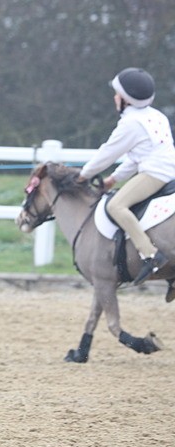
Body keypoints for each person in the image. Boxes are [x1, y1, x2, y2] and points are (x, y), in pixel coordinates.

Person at [78, 68, 175, 285]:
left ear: (126, 99)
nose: (115, 97)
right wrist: (114, 178)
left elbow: (107, 153)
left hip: (155, 174)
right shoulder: (156, 116)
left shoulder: (130, 124)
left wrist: (84, 175)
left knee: (116, 206)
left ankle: (150, 255)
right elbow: (136, 156)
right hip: (168, 172)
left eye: (117, 94)